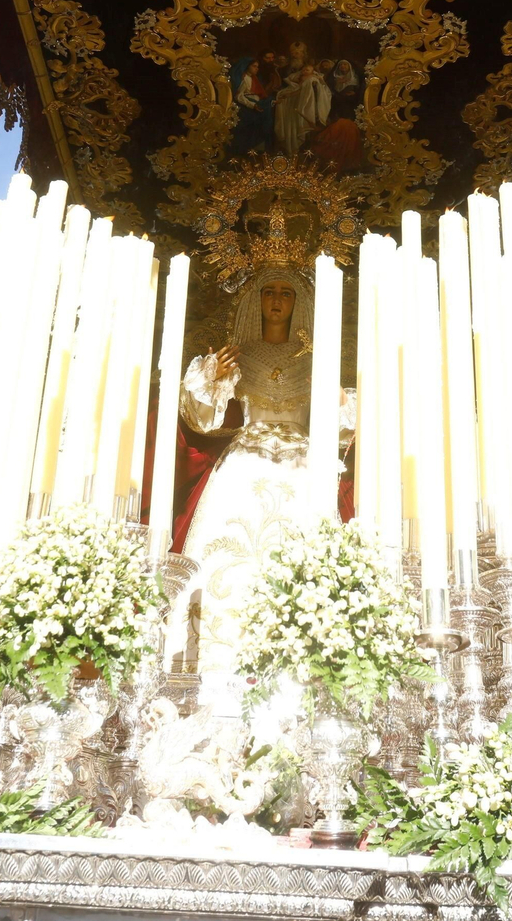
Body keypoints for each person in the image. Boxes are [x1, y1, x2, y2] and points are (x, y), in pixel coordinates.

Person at [168, 266, 354, 699]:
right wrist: (211, 380)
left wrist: (340, 400)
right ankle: (210, 666)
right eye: (267, 290)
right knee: (229, 555)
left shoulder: (313, 358)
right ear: (255, 300)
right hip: (244, 462)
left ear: (298, 303)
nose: (276, 300)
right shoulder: (236, 356)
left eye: (285, 293)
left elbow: (343, 430)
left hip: (302, 464)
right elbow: (201, 419)